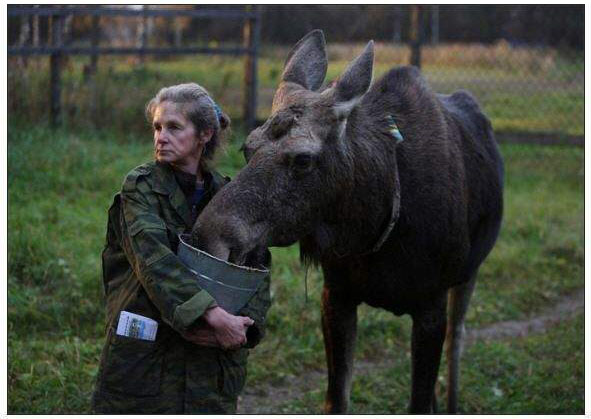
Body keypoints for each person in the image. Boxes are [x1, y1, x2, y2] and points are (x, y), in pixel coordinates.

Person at [91, 83, 271, 414]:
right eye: (158, 127)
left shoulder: (229, 195)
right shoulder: (142, 187)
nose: (161, 136)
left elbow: (258, 266)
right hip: (149, 360)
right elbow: (154, 261)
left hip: (211, 366)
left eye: (174, 127)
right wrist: (212, 315)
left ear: (204, 133)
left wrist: (244, 325)